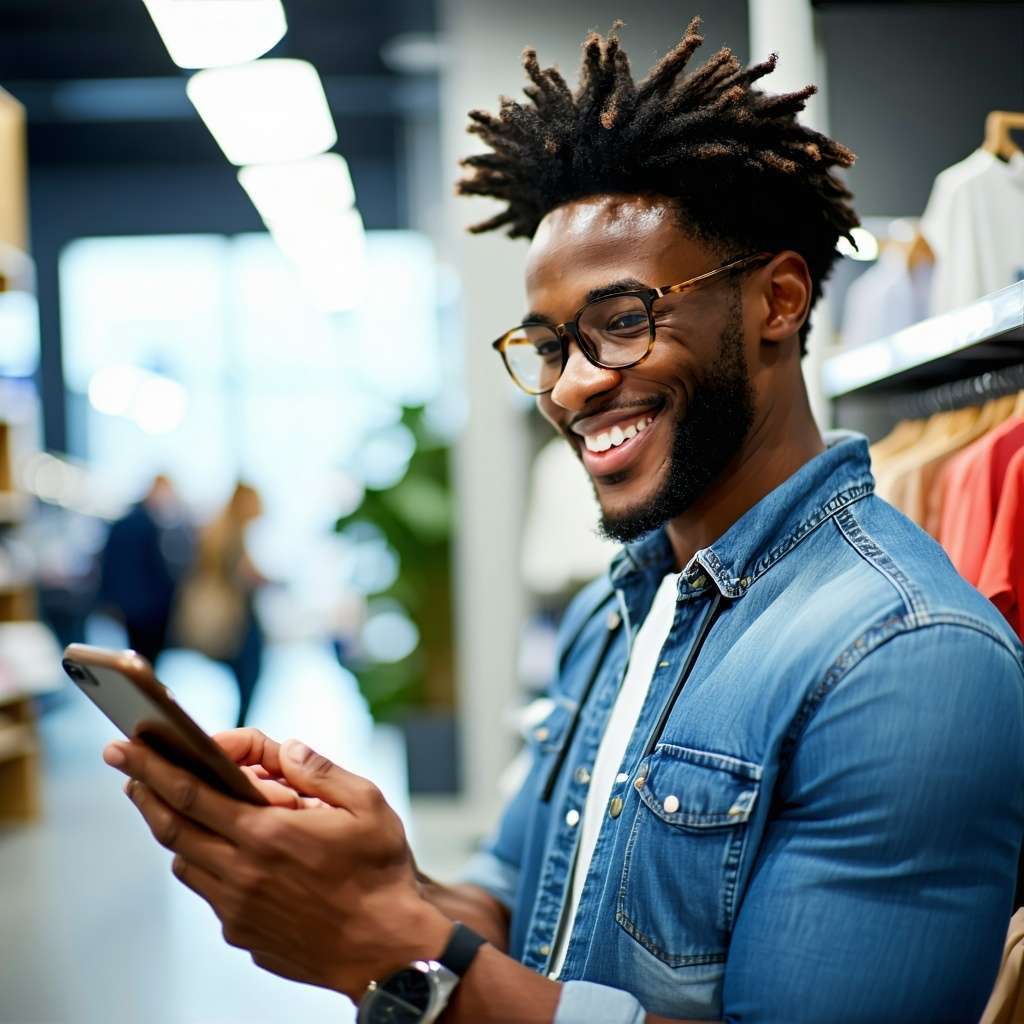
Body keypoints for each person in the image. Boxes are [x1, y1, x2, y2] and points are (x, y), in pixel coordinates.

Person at [103, 19, 1024, 1024]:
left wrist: (388, 947)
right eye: (547, 346)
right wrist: (373, 876)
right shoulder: (619, 607)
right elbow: (522, 913)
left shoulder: (907, 659)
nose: (573, 386)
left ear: (778, 299)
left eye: (621, 321)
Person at [175, 482, 267, 728]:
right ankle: (241, 736)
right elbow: (244, 575)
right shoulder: (231, 534)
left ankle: (240, 732)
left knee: (243, 681)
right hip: (237, 620)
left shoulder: (219, 529)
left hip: (232, 618)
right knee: (249, 678)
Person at [97, 474, 191, 666]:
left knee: (139, 657)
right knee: (146, 660)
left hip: (132, 607)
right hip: (149, 609)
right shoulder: (151, 524)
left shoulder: (125, 522)